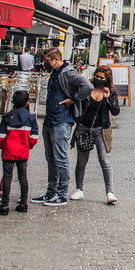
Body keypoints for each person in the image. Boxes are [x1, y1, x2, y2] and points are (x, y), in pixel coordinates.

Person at [37, 47, 92, 206]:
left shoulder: (67, 72)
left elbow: (87, 86)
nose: (45, 64)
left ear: (55, 59)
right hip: (50, 119)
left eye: (47, 61)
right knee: (51, 158)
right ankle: (51, 192)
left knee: (60, 157)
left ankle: (61, 194)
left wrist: (73, 99)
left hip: (62, 120)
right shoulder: (56, 72)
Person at [71, 65, 120, 205]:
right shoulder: (87, 88)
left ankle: (109, 192)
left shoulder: (110, 92)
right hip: (84, 127)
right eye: (97, 76)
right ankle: (79, 189)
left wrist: (108, 98)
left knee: (105, 161)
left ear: (107, 79)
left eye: (101, 78)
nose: (98, 79)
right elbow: (77, 100)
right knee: (81, 161)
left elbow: (116, 111)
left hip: (102, 129)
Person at [0, 89, 39, 215]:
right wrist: (28, 145)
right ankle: (23, 203)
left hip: (8, 151)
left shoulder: (7, 117)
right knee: (23, 177)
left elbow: (1, 136)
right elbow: (34, 137)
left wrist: (2, 146)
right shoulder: (30, 118)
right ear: (26, 102)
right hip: (23, 152)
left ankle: (4, 205)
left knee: (7, 177)